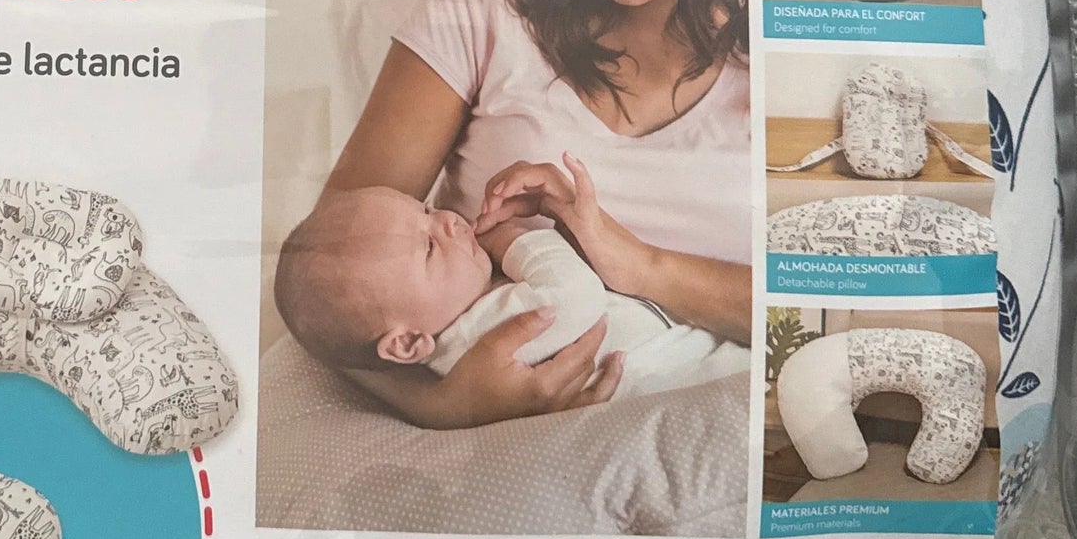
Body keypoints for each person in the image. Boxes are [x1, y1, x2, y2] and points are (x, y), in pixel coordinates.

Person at [312, 0, 754, 429]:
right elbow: (329, 282)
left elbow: (822, 310)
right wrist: (443, 403)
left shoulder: (794, 37)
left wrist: (640, 265)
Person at [275, 168, 746, 397]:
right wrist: (511, 240)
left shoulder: (466, 313)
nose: (448, 221)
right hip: (696, 374)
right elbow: (572, 296)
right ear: (407, 343)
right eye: (429, 247)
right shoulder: (472, 342)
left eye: (426, 210)